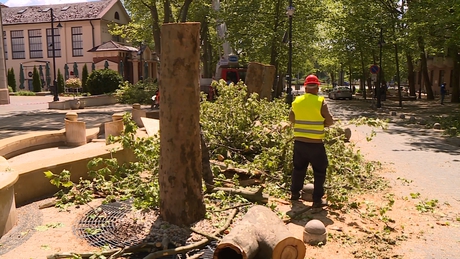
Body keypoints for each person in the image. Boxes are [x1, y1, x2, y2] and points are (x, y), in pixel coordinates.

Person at [289, 74, 334, 209]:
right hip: (316, 144)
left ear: (305, 87)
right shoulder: (320, 102)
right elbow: (330, 121)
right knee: (319, 171)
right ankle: (316, 200)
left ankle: (295, 194)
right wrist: (321, 125)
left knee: (298, 169)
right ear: (317, 87)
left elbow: (292, 119)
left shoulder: (297, 101)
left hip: (299, 143)